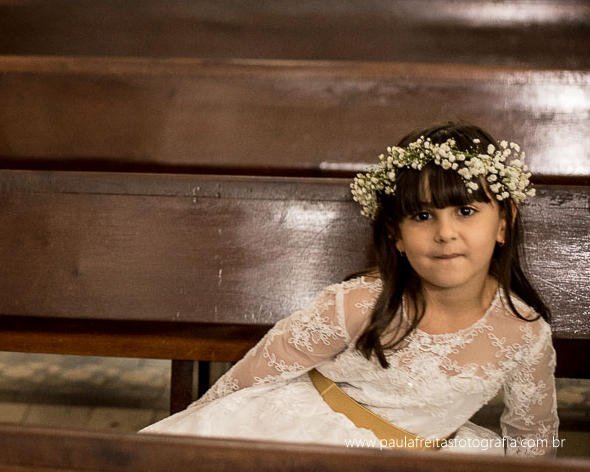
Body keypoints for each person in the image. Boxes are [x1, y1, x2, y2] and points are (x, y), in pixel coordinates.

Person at [142, 122, 558, 456]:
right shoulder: (359, 303)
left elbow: (533, 438)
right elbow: (253, 376)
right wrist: (191, 443)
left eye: (466, 211)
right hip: (305, 437)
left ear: (504, 221)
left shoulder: (524, 332)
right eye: (422, 216)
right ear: (395, 233)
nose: (445, 233)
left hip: (428, 452)